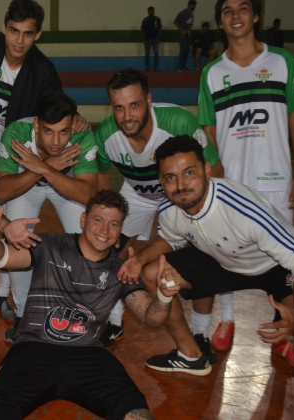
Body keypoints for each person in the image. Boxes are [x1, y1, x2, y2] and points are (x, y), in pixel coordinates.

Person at [118, 135, 294, 420]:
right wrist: (139, 259)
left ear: (207, 171)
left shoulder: (242, 208)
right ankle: (190, 355)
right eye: (170, 177)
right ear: (161, 180)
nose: (181, 185)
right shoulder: (171, 208)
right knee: (153, 272)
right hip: (222, 262)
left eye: (189, 173)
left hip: (273, 267)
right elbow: (170, 239)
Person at [0, 0, 88, 322]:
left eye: (28, 34)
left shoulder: (44, 70)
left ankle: (6, 291)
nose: (19, 41)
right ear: (5, 26)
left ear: (37, 35)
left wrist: (75, 118)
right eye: (13, 31)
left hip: (16, 155)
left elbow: (59, 110)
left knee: (9, 222)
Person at [0, 190, 176, 420]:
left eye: (113, 224)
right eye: (98, 220)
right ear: (83, 220)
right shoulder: (50, 246)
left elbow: (153, 318)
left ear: (120, 230)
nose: (104, 230)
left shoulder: (121, 270)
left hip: (88, 355)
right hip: (32, 350)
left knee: (137, 414)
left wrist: (164, 296)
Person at [199, 0, 294, 365]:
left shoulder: (281, 62)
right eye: (227, 9)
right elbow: (209, 130)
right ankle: (227, 320)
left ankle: (283, 326)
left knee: (284, 259)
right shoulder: (213, 72)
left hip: (275, 181)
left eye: (243, 7)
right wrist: (214, 177)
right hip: (231, 184)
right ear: (220, 20)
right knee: (224, 253)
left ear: (256, 15)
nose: (235, 15)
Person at [94, 68, 224, 351]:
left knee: (202, 255)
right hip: (137, 192)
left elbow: (215, 170)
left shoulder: (178, 121)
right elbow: (102, 175)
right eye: (119, 107)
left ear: (149, 100)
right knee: (110, 252)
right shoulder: (105, 133)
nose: (127, 115)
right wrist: (111, 216)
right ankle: (114, 322)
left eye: (135, 105)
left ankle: (200, 334)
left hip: (177, 193)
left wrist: (203, 219)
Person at [0, 92, 98, 342]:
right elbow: (0, 191)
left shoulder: (82, 136)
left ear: (73, 125)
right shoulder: (16, 134)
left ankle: (82, 309)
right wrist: (45, 167)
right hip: (25, 187)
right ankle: (22, 314)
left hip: (66, 186)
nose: (57, 141)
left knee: (90, 238)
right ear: (36, 125)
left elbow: (87, 195)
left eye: (64, 132)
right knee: (19, 238)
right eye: (49, 131)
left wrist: (43, 167)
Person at [174, 0, 197, 71]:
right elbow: (175, 22)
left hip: (188, 34)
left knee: (187, 50)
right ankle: (181, 67)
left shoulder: (192, 14)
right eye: (194, 5)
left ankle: (184, 66)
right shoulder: (182, 13)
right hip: (182, 34)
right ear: (190, 5)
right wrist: (181, 30)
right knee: (183, 49)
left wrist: (189, 30)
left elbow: (191, 24)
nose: (195, 7)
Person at [141, 6, 163, 72]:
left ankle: (156, 68)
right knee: (147, 53)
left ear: (154, 11)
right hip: (147, 39)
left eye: (152, 11)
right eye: (150, 11)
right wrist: (144, 40)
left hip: (155, 40)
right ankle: (147, 68)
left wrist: (157, 38)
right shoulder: (145, 20)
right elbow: (142, 30)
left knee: (156, 53)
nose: (151, 12)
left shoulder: (157, 19)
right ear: (148, 12)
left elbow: (160, 29)